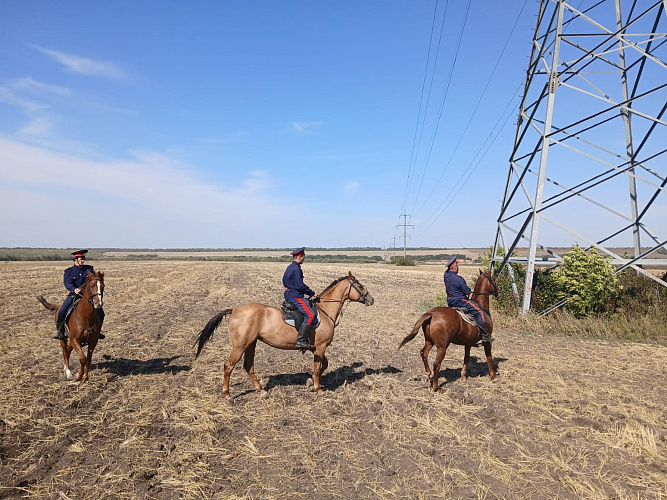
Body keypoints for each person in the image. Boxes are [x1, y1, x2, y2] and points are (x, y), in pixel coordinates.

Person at [53, 250, 105, 340]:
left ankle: (98, 331)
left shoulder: (89, 269)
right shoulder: (69, 271)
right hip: (74, 295)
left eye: (83, 258)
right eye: (81, 259)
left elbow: (94, 280)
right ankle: (60, 331)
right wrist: (74, 289)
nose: (83, 260)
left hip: (88, 296)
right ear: (75, 259)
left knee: (101, 313)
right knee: (61, 311)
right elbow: (67, 283)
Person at [443, 255, 492, 343]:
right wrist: (469, 291)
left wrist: (455, 262)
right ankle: (485, 335)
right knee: (480, 312)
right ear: (455, 268)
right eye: (457, 266)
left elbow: (448, 270)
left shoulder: (446, 276)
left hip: (450, 301)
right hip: (461, 301)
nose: (458, 268)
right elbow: (467, 291)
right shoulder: (459, 279)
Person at [283, 247, 318, 350]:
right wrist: (312, 293)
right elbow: (300, 286)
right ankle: (301, 340)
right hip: (295, 296)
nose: (304, 259)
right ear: (299, 257)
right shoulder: (297, 269)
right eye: (303, 257)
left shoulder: (290, 267)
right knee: (311, 315)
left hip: (289, 293)